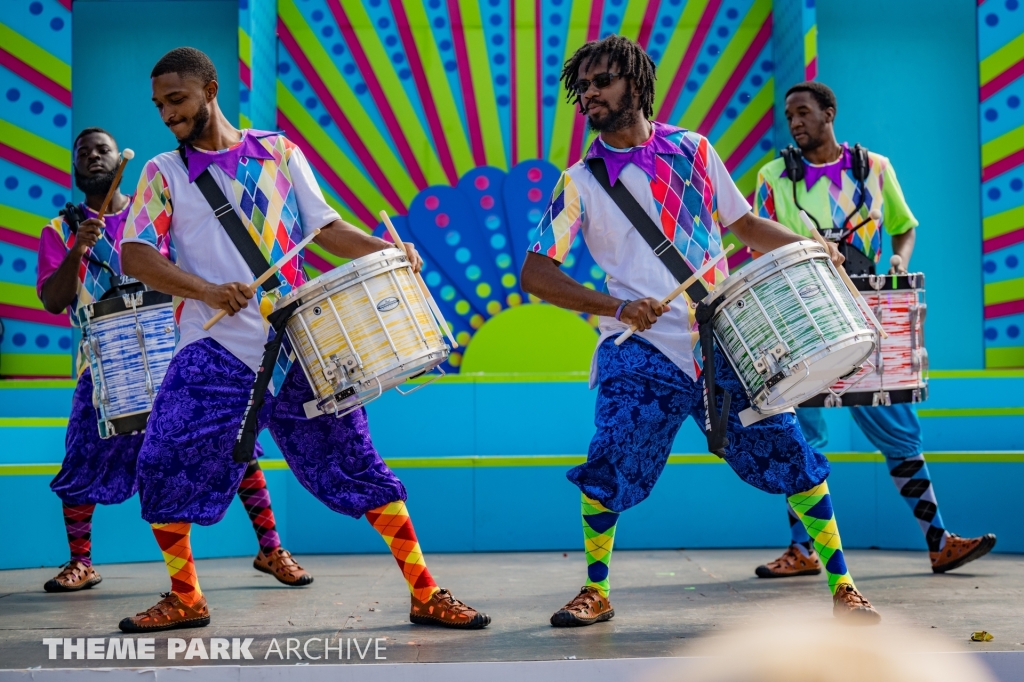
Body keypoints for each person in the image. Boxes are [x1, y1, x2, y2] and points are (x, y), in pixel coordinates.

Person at [118, 47, 488, 633]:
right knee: (165, 457)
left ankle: (425, 591)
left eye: (177, 99)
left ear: (210, 88)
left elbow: (326, 228)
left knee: (357, 462)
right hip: (213, 348)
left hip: (297, 344)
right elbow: (136, 254)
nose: (167, 114)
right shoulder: (163, 173)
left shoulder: (279, 151)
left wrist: (384, 249)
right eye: (160, 105)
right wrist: (209, 290)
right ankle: (184, 596)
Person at [520, 35, 880, 627]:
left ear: (634, 84)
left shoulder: (693, 151)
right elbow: (536, 273)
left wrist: (811, 246)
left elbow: (743, 225)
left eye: (601, 81)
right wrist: (616, 306)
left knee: (793, 453)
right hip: (639, 352)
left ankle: (844, 587)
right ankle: (596, 590)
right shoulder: (579, 182)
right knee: (610, 461)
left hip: (722, 343)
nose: (589, 95)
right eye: (581, 87)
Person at [36, 128, 311, 594]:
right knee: (82, 455)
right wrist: (79, 249)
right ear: (76, 166)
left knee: (234, 445)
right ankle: (80, 561)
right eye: (83, 153)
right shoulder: (60, 230)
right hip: (101, 364)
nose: (93, 158)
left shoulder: (152, 210)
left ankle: (270, 548)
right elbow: (51, 299)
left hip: (172, 351)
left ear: (117, 159)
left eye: (101, 149)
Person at [752, 81, 996, 578]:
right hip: (805, 322)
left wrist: (900, 262)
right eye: (789, 115)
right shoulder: (773, 175)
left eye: (803, 112)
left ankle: (940, 542)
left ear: (829, 112)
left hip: (871, 315)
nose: (795, 122)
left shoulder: (875, 169)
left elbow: (905, 225)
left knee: (900, 432)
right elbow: (755, 241)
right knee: (804, 437)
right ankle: (803, 550)